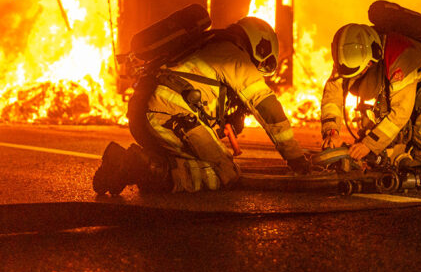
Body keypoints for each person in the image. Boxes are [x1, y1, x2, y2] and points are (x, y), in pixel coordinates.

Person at [93, 16, 311, 195]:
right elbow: (267, 107)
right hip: (171, 115)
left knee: (188, 162)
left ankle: (121, 163)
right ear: (260, 46)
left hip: (144, 114)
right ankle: (141, 167)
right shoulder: (235, 56)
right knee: (225, 173)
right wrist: (295, 156)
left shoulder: (207, 46)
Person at [320, 22, 421, 168]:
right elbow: (332, 95)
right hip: (405, 85)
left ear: (373, 57)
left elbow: (400, 112)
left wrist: (369, 144)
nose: (360, 74)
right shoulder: (348, 57)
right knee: (374, 96)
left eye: (363, 70)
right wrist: (331, 131)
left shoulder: (401, 55)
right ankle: (393, 147)